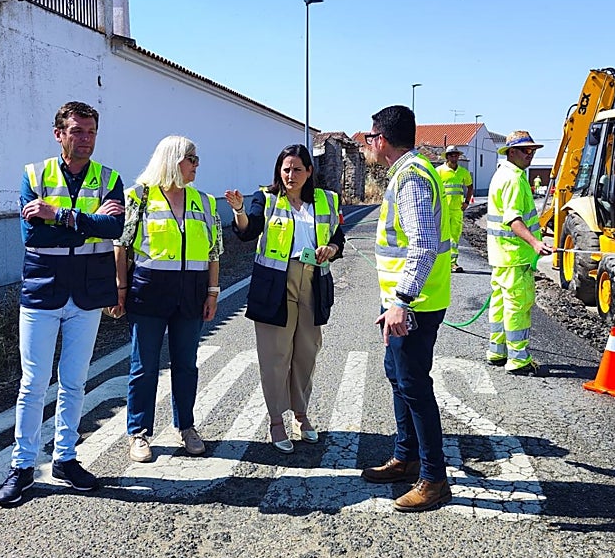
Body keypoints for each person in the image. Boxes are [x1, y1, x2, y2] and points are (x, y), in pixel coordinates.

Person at [0, 101, 126, 506]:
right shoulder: (33, 175)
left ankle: (65, 459)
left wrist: (60, 216)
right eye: (76, 131)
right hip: (42, 290)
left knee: (74, 380)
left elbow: (116, 226)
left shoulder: (110, 178)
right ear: (59, 134)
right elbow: (33, 237)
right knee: (33, 382)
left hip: (86, 292)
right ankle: (22, 466)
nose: (84, 139)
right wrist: (87, 223)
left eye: (90, 132)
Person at [358, 105, 454, 513]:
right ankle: (406, 457)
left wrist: (401, 301)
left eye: (369, 137)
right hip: (408, 302)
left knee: (414, 385)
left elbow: (424, 243)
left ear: (381, 139)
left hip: (414, 305)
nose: (367, 144)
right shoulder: (407, 173)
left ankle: (433, 480)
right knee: (398, 375)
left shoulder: (411, 177)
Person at [224, 145, 345, 454]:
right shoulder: (265, 198)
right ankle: (276, 420)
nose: (291, 175)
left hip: (314, 281)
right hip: (275, 284)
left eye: (298, 169)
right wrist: (238, 210)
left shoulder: (327, 200)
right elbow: (248, 231)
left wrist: (331, 248)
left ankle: (301, 415)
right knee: (275, 356)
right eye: (286, 169)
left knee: (306, 353)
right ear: (278, 171)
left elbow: (338, 236)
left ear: (309, 172)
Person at [113, 135, 221, 463]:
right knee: (144, 366)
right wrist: (118, 290)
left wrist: (213, 293)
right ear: (173, 160)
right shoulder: (138, 197)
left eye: (196, 158)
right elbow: (121, 246)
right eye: (191, 158)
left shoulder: (205, 201)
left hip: (191, 293)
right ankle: (139, 433)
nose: (197, 164)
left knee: (186, 365)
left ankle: (185, 426)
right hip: (148, 293)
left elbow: (215, 251)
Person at [486, 130, 554, 375]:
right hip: (515, 256)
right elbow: (513, 220)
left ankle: (497, 350)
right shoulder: (514, 179)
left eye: (533, 151)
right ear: (511, 152)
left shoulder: (502, 175)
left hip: (501, 256)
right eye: (526, 151)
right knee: (518, 305)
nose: (531, 155)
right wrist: (535, 244)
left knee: (501, 304)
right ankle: (518, 358)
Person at [436, 145, 474, 273]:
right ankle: (441, 262)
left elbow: (470, 187)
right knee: (441, 236)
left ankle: (453, 263)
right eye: (451, 155)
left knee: (454, 237)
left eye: (456, 155)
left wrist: (467, 202)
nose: (454, 157)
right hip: (443, 210)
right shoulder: (439, 171)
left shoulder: (463, 172)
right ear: (447, 157)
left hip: (457, 210)